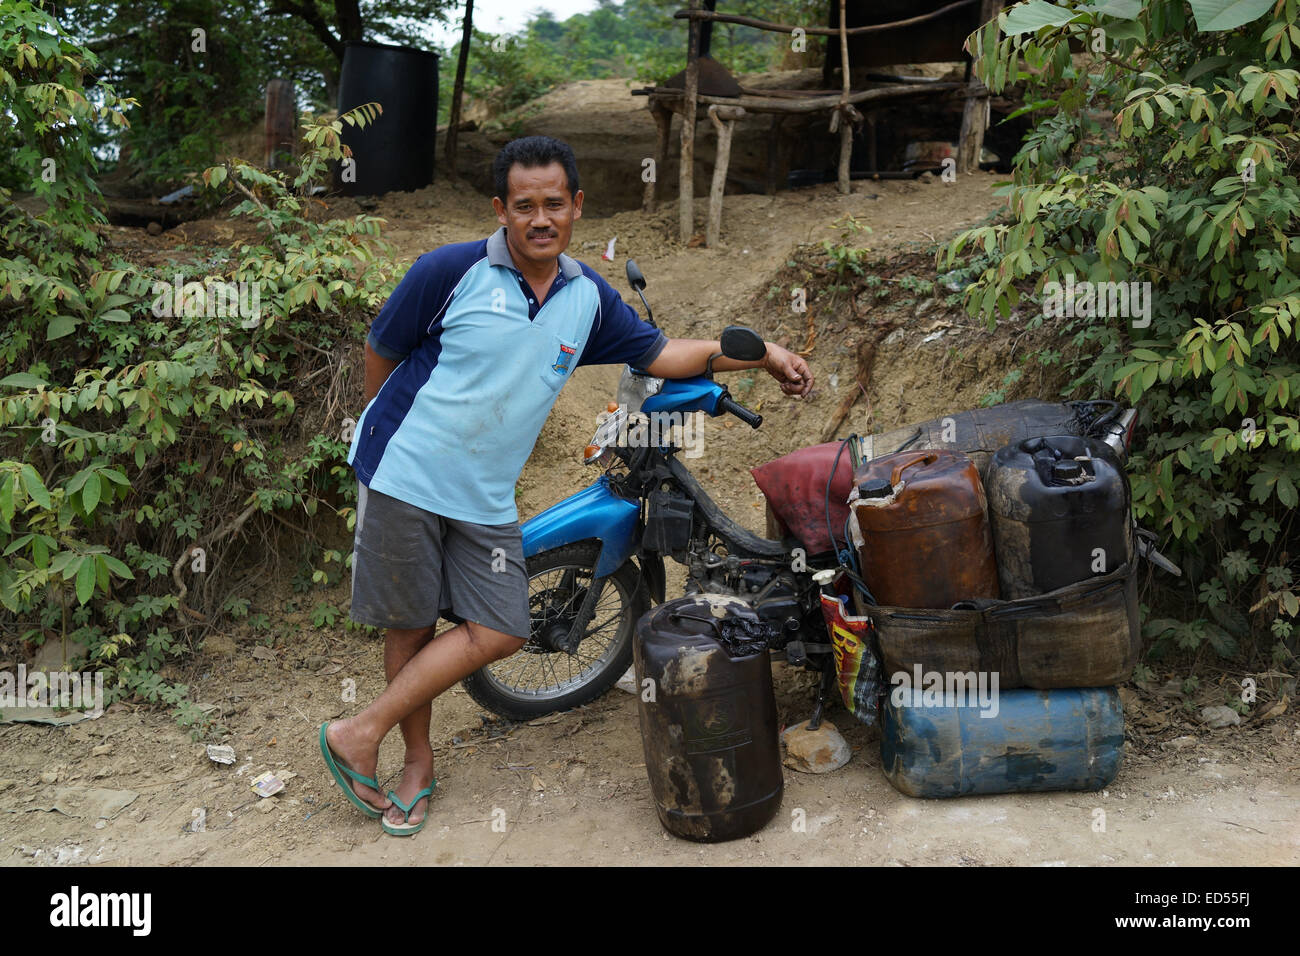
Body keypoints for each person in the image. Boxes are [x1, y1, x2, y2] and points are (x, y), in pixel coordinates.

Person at [320, 135, 813, 836]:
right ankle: (415, 763)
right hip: (404, 472)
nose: (540, 218)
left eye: (554, 203)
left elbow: (663, 353)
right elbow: (382, 351)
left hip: (485, 490)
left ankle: (358, 729)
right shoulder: (448, 271)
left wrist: (763, 355)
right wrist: (391, 441)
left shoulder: (587, 299)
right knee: (412, 621)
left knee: (499, 625)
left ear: (576, 206)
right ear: (501, 210)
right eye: (525, 206)